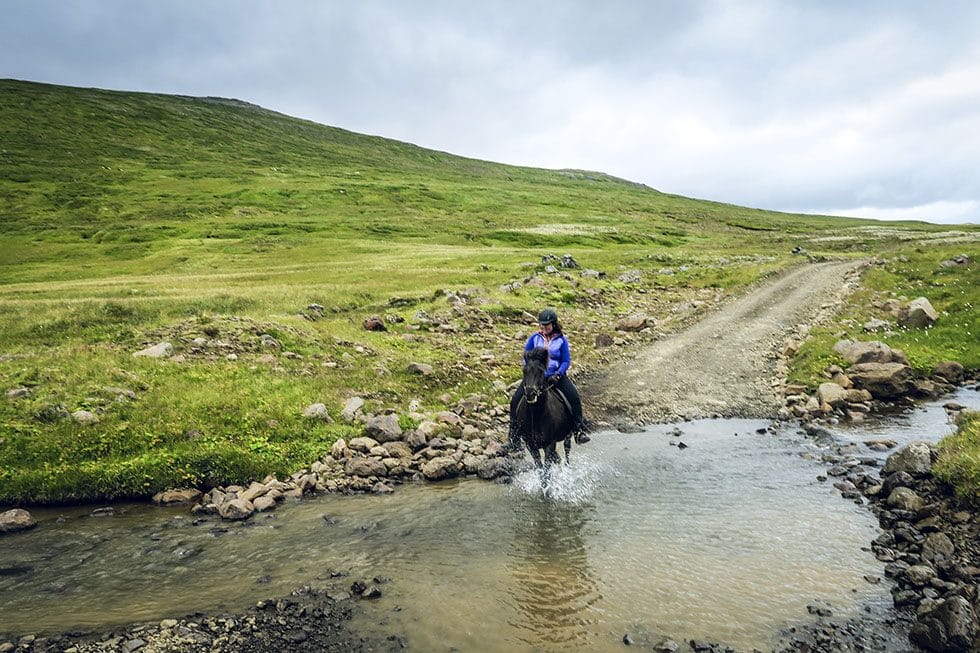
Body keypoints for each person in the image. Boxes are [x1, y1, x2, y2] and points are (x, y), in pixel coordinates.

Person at [504, 308, 590, 452]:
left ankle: (579, 430)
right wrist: (530, 370)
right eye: (542, 326)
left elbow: (566, 360)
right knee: (515, 401)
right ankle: (513, 439)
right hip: (535, 377)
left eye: (547, 326)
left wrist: (558, 374)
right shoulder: (534, 339)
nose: (544, 329)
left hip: (555, 377)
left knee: (574, 397)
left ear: (554, 325)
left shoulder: (561, 340)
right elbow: (526, 357)